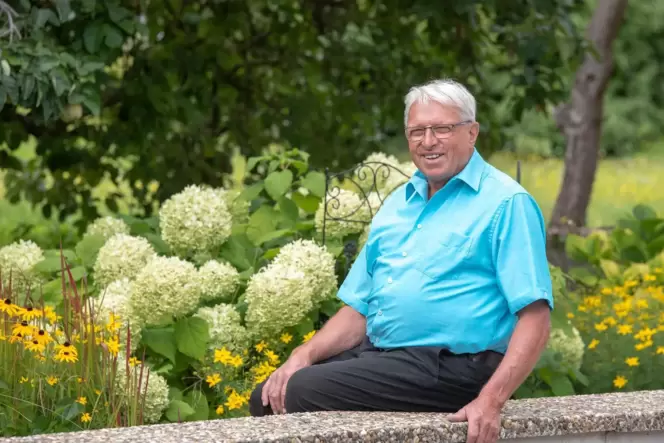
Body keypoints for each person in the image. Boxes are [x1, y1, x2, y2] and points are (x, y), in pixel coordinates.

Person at [249, 79, 553, 443]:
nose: (428, 141)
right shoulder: (399, 202)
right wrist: (303, 354)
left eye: (442, 129)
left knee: (302, 391)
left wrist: (491, 401)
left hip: (455, 367)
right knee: (268, 395)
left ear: (471, 133)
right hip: (388, 359)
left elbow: (535, 317)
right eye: (417, 131)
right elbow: (359, 309)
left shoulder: (506, 203)